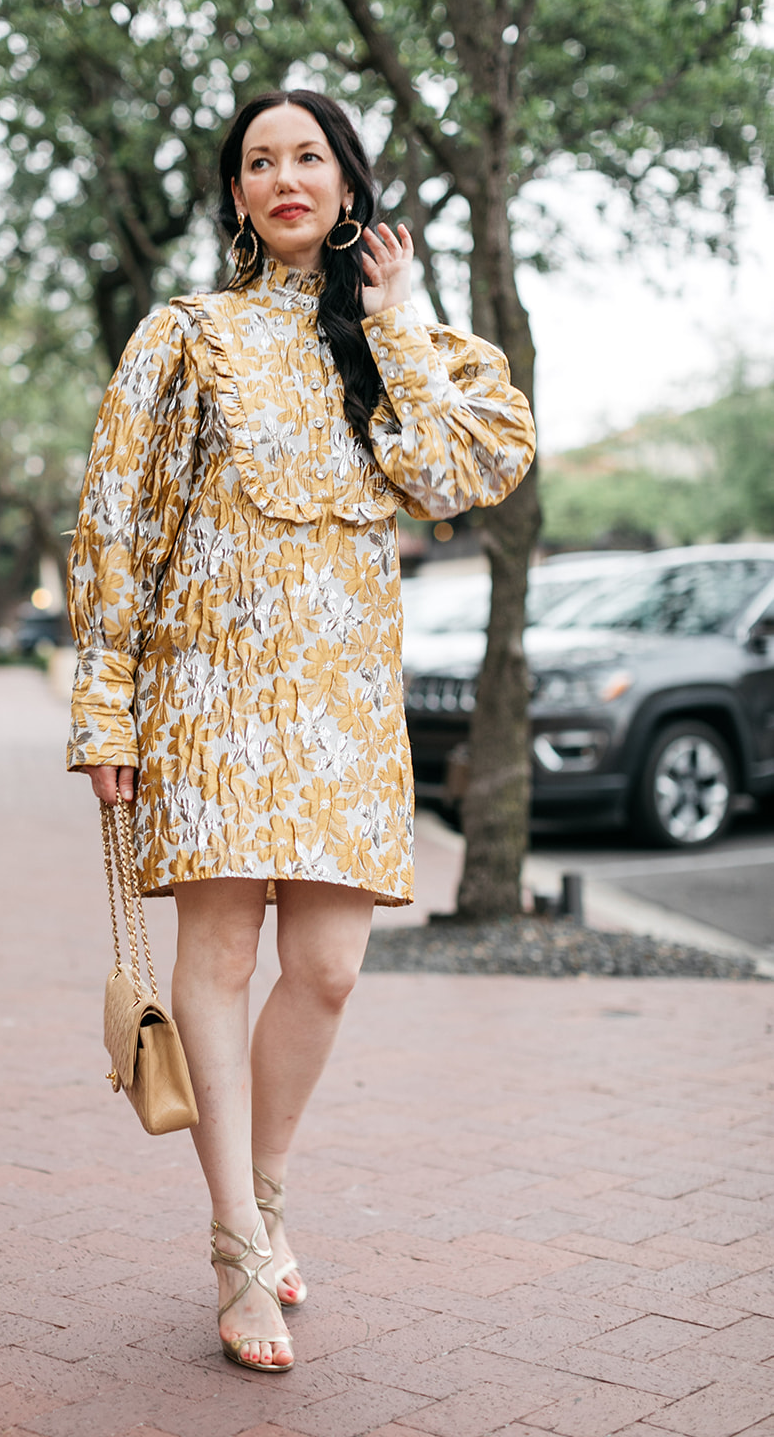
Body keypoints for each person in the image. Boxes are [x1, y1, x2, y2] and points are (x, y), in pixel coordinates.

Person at [66, 90, 535, 1372]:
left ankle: (265, 1191)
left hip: (340, 701)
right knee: (213, 957)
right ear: (233, 193)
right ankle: (234, 1246)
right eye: (258, 161)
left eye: (308, 157)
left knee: (326, 966)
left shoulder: (398, 343)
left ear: (345, 188)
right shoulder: (182, 339)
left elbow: (455, 481)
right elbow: (118, 525)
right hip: (208, 693)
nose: (284, 177)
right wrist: (106, 705)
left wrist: (390, 324)